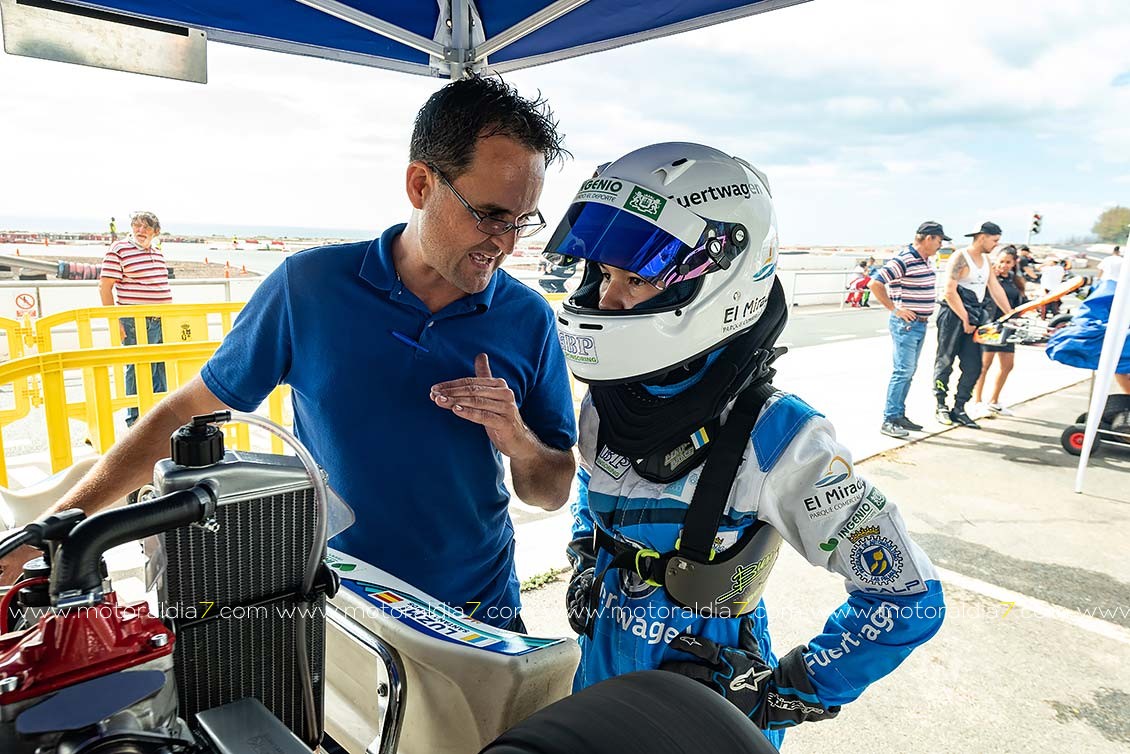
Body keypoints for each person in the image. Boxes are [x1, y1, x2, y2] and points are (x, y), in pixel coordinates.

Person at [0, 76, 578, 633]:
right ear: (420, 185)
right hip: (343, 606)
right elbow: (183, 414)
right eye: (490, 215)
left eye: (523, 221)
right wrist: (56, 525)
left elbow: (550, 492)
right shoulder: (310, 287)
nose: (506, 243)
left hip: (480, 610)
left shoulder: (527, 317)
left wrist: (518, 439)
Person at [552, 143, 945, 748]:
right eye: (605, 275)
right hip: (601, 678)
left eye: (637, 279)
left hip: (707, 706)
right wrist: (586, 556)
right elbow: (591, 481)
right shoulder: (608, 404)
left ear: (721, 286)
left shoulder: (779, 436)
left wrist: (783, 690)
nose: (607, 301)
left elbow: (909, 597)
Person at [867, 222, 946, 439]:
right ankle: (889, 419)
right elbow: (875, 283)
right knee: (902, 371)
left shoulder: (923, 260)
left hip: (919, 324)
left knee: (908, 372)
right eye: (939, 241)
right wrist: (895, 309)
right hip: (907, 325)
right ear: (929, 238)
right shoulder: (905, 259)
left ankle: (899, 415)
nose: (940, 245)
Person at [932, 221, 1013, 429]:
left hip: (974, 316)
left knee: (974, 366)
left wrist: (1011, 314)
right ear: (982, 237)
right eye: (994, 240)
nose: (996, 245)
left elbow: (995, 288)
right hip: (953, 315)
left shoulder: (986, 261)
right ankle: (941, 405)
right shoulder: (960, 257)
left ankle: (959, 407)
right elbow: (949, 291)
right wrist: (964, 319)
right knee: (945, 361)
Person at [99, 211, 171, 428]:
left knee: (159, 367)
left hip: (161, 319)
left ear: (155, 232)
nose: (141, 230)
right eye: (136, 226)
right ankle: (135, 420)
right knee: (137, 367)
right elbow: (105, 287)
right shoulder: (119, 249)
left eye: (146, 227)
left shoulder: (157, 252)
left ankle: (158, 416)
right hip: (134, 319)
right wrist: (115, 321)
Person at [973, 247, 1027, 415]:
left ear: (1014, 263)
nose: (1004, 265)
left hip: (1008, 327)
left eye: (1008, 262)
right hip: (990, 326)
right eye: (1001, 261)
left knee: (1008, 365)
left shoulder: (1015, 280)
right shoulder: (989, 278)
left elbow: (1020, 302)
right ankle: (977, 401)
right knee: (983, 366)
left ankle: (994, 401)